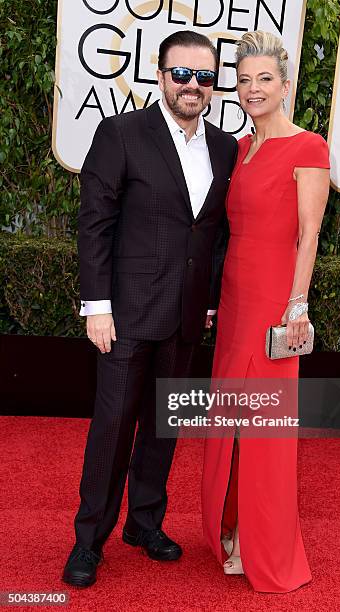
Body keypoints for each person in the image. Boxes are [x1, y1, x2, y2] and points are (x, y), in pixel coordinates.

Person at [63, 30, 237, 587]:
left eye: (203, 76)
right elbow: (95, 224)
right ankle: (89, 540)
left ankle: (144, 523)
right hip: (127, 313)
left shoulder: (224, 146)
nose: (192, 84)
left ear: (214, 85)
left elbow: (212, 234)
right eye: (181, 74)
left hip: (186, 317)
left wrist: (208, 303)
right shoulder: (121, 133)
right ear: (160, 78)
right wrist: (96, 305)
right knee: (112, 431)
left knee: (166, 427)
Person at [201, 31, 330, 593]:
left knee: (265, 431)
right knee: (231, 420)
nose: (253, 89)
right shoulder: (240, 147)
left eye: (265, 79)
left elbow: (309, 233)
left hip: (275, 304)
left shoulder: (309, 147)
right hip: (234, 300)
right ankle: (231, 529)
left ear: (285, 84)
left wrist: (296, 307)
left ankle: (265, 547)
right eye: (245, 79)